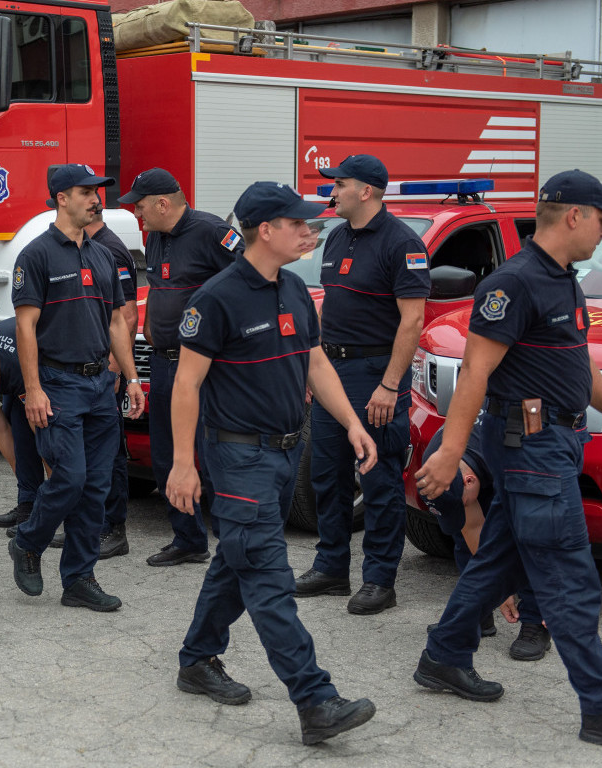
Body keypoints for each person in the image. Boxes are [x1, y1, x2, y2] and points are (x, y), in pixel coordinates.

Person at [413, 170, 602, 749]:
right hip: (530, 447)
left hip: (554, 442)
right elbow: (476, 373)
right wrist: (452, 454)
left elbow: (576, 358)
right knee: (569, 578)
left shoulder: (564, 281)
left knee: (500, 561)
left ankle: (443, 656)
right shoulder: (514, 283)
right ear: (575, 215)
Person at [164, 181, 377, 746]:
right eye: (299, 223)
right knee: (266, 575)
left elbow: (314, 363)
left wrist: (353, 422)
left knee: (237, 559)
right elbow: (186, 385)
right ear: (267, 230)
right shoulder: (216, 297)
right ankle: (315, 700)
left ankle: (196, 660)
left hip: (286, 451)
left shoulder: (293, 290)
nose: (311, 231)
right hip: (238, 457)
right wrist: (183, 464)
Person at [6, 163, 144, 612]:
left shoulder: (104, 254)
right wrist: (34, 389)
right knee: (70, 477)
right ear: (61, 197)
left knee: (97, 485)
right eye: (86, 191)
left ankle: (79, 579)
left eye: (96, 191)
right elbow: (25, 329)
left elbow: (115, 323)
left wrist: (131, 377)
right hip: (56, 383)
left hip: (100, 385)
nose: (95, 198)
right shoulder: (37, 255)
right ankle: (28, 541)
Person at [296, 154, 429, 615]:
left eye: (340, 184)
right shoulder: (336, 238)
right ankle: (332, 566)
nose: (331, 191)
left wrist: (390, 386)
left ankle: (379, 579)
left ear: (366, 191)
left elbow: (412, 322)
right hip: (333, 371)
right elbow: (328, 304)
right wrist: (314, 369)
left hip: (374, 376)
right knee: (327, 475)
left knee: (378, 479)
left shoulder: (402, 244)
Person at [118, 168, 241, 567]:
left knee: (209, 458)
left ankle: (232, 545)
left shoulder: (211, 232)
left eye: (140, 207)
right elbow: (158, 287)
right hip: (164, 363)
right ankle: (188, 539)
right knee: (167, 457)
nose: (138, 214)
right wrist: (153, 327)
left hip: (205, 368)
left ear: (163, 203)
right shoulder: (155, 237)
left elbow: (245, 284)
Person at [422, 422, 550, 660]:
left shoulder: (509, 453)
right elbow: (471, 527)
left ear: (469, 481)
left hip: (520, 457)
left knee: (525, 541)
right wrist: (496, 591)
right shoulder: (434, 465)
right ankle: (476, 611)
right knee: (463, 540)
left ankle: (535, 622)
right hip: (483, 463)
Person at [86, 207, 137, 560]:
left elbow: (127, 314)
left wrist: (118, 369)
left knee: (111, 452)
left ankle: (113, 529)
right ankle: (91, 526)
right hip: (91, 370)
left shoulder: (110, 249)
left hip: (107, 370)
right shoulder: (88, 245)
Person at [0, 317, 45, 532]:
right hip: (6, 370)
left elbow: (42, 432)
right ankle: (28, 503)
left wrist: (56, 494)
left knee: (31, 430)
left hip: (33, 367)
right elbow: (0, 428)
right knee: (19, 437)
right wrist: (22, 476)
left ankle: (50, 509)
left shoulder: (13, 370)